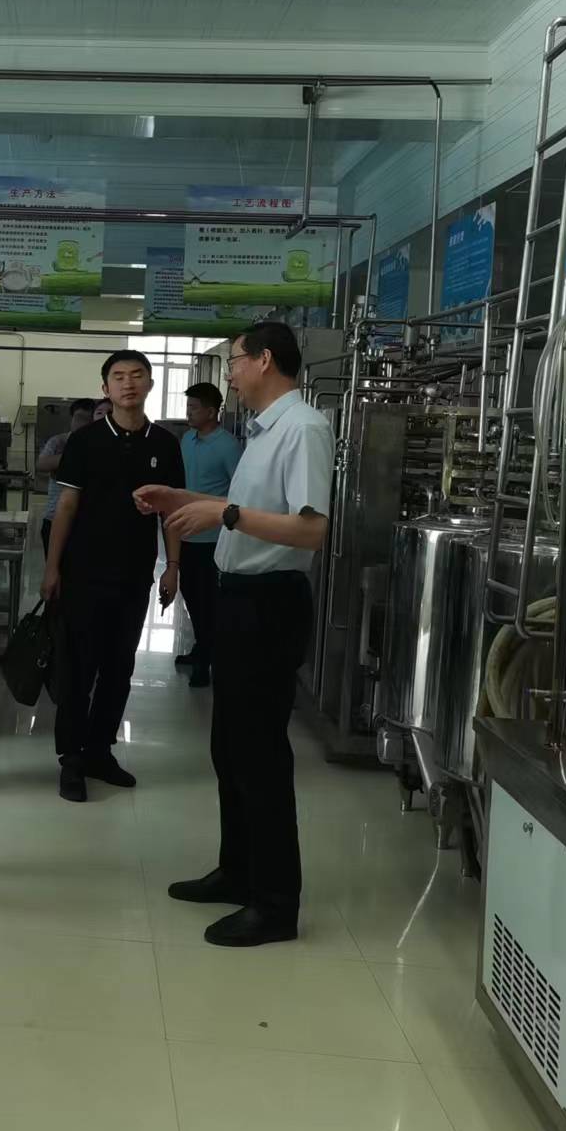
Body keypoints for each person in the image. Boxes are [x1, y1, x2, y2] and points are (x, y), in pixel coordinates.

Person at [135, 321, 334, 948]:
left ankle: (275, 904)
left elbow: (312, 530)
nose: (231, 375)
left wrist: (223, 512)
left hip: (270, 603)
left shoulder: (303, 428)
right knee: (230, 747)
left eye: (236, 362)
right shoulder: (265, 430)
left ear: (265, 360)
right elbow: (249, 512)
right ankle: (238, 870)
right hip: (239, 598)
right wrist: (181, 497)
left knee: (261, 754)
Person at [41, 351, 184, 803]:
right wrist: (52, 566)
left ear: (150, 384)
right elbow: (66, 506)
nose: (128, 383)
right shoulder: (84, 442)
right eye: (118, 377)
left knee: (119, 668)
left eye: (137, 375)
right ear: (105, 388)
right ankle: (71, 759)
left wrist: (173, 567)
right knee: (79, 669)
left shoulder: (165, 444)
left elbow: (172, 512)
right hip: (83, 574)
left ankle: (100, 751)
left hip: (135, 574)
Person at [175, 382, 243, 689]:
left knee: (210, 602)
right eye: (188, 407)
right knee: (191, 595)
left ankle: (206, 660)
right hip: (186, 535)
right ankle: (201, 647)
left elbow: (240, 492)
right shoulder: (187, 439)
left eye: (194, 408)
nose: (188, 413)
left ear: (212, 411)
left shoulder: (228, 446)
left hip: (214, 538)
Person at [35, 398, 96, 555]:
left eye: (88, 419)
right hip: (54, 517)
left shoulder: (99, 444)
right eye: (79, 418)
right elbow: (41, 464)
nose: (83, 423)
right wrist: (74, 454)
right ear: (71, 419)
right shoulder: (58, 442)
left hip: (86, 520)